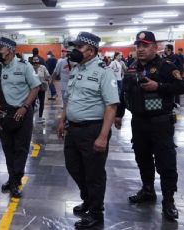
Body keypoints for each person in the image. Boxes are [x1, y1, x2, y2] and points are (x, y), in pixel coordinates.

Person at [115, 31, 184, 221]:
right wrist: (119, 115)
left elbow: (181, 86)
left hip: (161, 122)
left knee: (166, 162)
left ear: (155, 47)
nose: (141, 49)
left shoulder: (166, 67)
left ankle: (168, 201)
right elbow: (123, 94)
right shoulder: (130, 68)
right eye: (138, 46)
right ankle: (147, 190)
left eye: (145, 46)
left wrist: (159, 86)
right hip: (138, 122)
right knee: (142, 158)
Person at [57, 32, 119, 229]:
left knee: (94, 174)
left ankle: (96, 213)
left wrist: (103, 136)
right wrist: (62, 119)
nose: (73, 51)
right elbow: (71, 97)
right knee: (73, 167)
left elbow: (111, 106)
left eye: (78, 48)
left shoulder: (103, 71)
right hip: (74, 129)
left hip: (93, 129)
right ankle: (88, 199)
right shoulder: (77, 69)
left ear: (91, 51)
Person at [0, 37, 41, 198]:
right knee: (8, 149)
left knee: (21, 149)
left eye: (0, 49)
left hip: (22, 114)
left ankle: (14, 180)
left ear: (11, 50)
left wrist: (25, 106)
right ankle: (14, 179)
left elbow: (36, 87)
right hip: (5, 114)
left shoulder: (24, 67)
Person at [31, 56, 50, 123]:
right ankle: (30, 117)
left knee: (41, 102)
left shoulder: (43, 67)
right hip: (33, 88)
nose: (36, 61)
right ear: (32, 61)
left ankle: (40, 117)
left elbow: (47, 75)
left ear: (39, 60)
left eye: (37, 59)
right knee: (32, 103)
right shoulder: (30, 67)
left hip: (41, 87)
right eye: (34, 60)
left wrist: (47, 80)